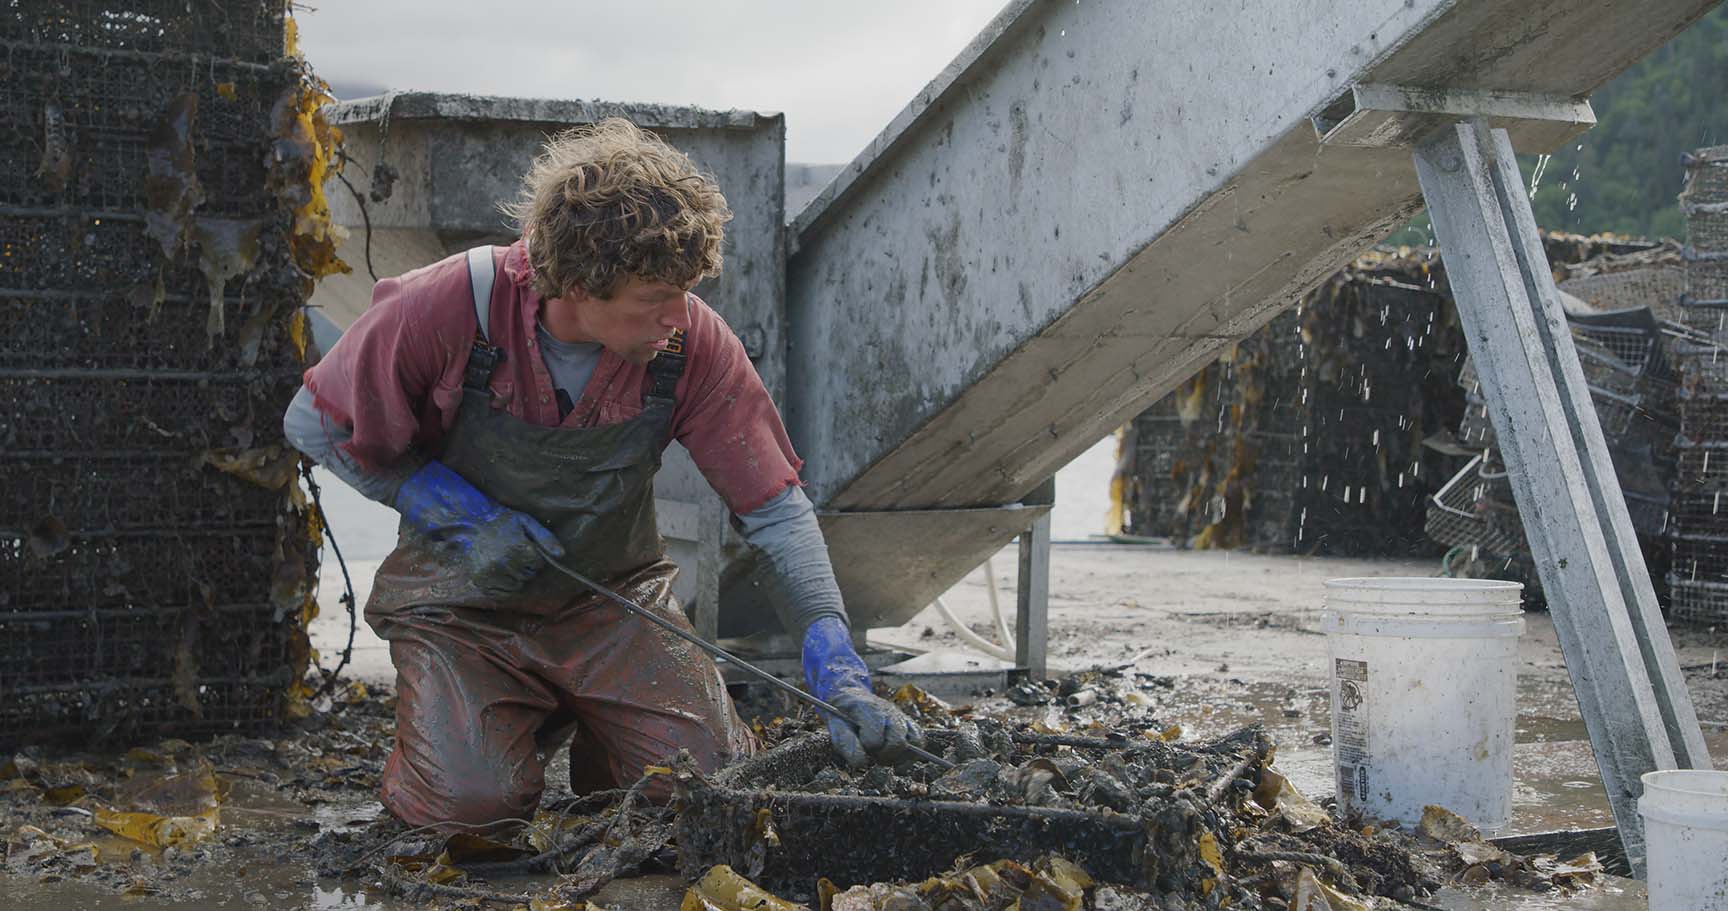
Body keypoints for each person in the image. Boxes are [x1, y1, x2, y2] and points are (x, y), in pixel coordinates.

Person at [284, 118, 921, 829]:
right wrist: (460, 514)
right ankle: (484, 729)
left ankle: (602, 736)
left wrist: (834, 657)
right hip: (462, 606)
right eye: (656, 299)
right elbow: (313, 423)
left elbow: (772, 506)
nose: (680, 318)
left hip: (613, 602)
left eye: (687, 291)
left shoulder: (692, 341)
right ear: (581, 284)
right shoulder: (445, 306)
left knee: (706, 793)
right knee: (472, 811)